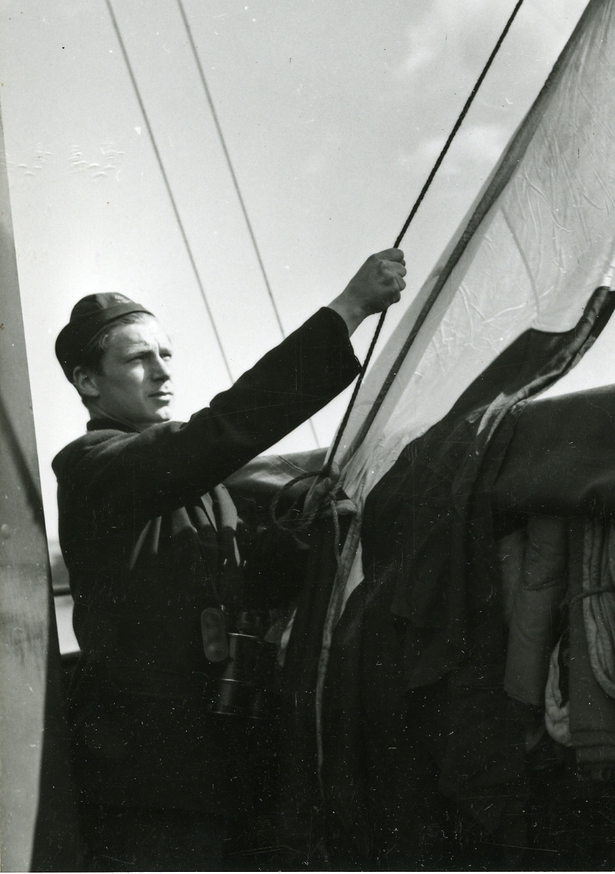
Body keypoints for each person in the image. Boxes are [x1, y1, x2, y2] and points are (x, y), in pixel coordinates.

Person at [52, 249, 406, 871]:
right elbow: (217, 433)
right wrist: (346, 312)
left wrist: (312, 531)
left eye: (166, 355)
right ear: (88, 382)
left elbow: (249, 575)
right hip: (151, 780)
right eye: (138, 358)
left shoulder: (194, 484)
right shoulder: (93, 468)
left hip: (226, 763)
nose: (162, 372)